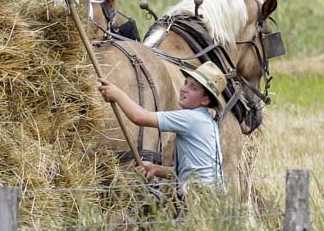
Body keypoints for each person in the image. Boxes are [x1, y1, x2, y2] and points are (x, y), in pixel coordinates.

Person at [97, 61, 227, 194]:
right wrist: (155, 169)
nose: (184, 89)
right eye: (185, 83)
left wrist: (116, 93)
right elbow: (186, 174)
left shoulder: (191, 119)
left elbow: (139, 117)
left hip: (198, 200)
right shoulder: (207, 121)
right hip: (212, 200)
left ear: (205, 100)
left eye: (193, 87)